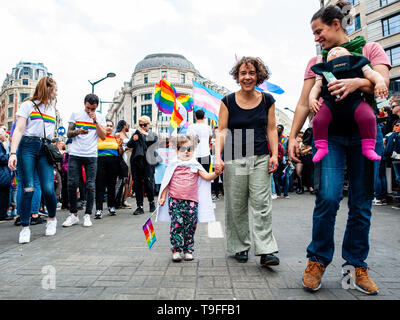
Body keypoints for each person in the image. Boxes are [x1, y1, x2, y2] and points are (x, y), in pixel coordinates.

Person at [287, 1, 391, 295]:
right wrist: (293, 136)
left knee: (361, 202)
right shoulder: (315, 62)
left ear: (336, 24)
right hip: (329, 136)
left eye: (319, 31)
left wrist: (358, 81)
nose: (316, 38)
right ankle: (317, 261)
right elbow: (304, 101)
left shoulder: (370, 50)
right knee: (328, 198)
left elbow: (381, 83)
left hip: (365, 135)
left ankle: (356, 266)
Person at [214, 56, 280, 267]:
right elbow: (221, 130)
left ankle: (266, 250)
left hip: (260, 155)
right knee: (236, 204)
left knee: (262, 203)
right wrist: (218, 157)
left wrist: (275, 155)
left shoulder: (268, 99)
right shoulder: (227, 101)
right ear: (237, 76)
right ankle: (240, 246)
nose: (247, 77)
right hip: (234, 154)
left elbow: (271, 128)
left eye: (252, 73)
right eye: (243, 73)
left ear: (259, 76)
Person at [309, 46, 388, 162]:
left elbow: (372, 74)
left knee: (368, 117)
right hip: (330, 104)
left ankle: (368, 147)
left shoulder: (358, 62)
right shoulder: (323, 70)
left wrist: (380, 82)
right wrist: (312, 99)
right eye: (332, 52)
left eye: (339, 50)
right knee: (318, 120)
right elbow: (316, 87)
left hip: (354, 101)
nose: (335, 53)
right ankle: (321, 147)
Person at [8, 76, 59, 243]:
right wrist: (13, 153)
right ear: (47, 90)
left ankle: (52, 219)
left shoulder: (52, 110)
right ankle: (25, 227)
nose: (56, 93)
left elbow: (51, 135)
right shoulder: (28, 105)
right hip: (27, 147)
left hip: (45, 148)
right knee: (27, 188)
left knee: (48, 189)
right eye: (55, 90)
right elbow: (19, 130)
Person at [157, 134, 218, 262]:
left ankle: (188, 249)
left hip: (192, 201)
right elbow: (166, 181)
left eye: (190, 149)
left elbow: (207, 177)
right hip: (175, 200)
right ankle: (177, 249)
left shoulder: (195, 165)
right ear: (177, 150)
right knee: (176, 224)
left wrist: (216, 173)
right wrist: (162, 197)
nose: (186, 152)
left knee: (190, 225)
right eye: (182, 149)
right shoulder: (173, 164)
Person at [62, 94, 106, 228]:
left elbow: (103, 136)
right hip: (75, 154)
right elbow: (68, 133)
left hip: (91, 155)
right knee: (71, 184)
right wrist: (78, 131)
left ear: (96, 106)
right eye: (88, 108)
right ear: (84, 104)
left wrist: (96, 121)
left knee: (90, 185)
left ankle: (87, 215)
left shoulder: (100, 117)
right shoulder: (75, 114)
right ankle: (73, 215)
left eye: (92, 108)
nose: (89, 111)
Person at [127, 116, 158, 215]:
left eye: (144, 125)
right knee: (137, 184)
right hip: (136, 162)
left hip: (148, 161)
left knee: (149, 183)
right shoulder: (135, 133)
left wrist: (145, 133)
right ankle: (139, 206)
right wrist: (133, 139)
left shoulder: (152, 134)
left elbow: (155, 141)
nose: (142, 127)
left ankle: (151, 203)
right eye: (140, 125)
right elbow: (129, 145)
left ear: (148, 125)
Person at [94, 120, 123, 219]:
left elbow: (120, 152)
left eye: (111, 126)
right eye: (107, 125)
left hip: (113, 162)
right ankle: (99, 209)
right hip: (100, 161)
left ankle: (111, 206)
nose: (109, 127)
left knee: (112, 185)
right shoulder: (98, 137)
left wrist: (120, 144)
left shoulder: (116, 138)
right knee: (100, 186)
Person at [115, 120, 132, 209]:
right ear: (124, 126)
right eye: (127, 125)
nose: (128, 126)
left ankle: (124, 200)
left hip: (129, 158)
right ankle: (117, 200)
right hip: (121, 159)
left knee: (128, 180)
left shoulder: (128, 135)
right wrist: (125, 148)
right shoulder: (117, 134)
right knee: (122, 180)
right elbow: (117, 147)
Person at [0, 127, 12, 221]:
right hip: (2, 173)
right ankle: (2, 214)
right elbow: (2, 158)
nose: (5, 135)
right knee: (3, 194)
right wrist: (9, 155)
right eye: (4, 133)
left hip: (3, 173)